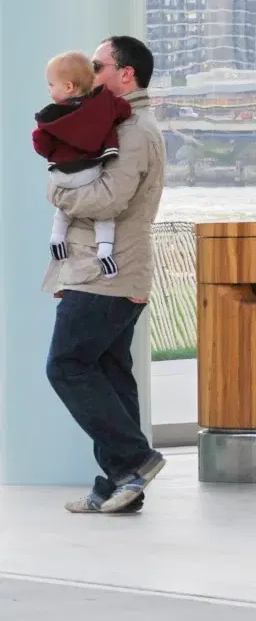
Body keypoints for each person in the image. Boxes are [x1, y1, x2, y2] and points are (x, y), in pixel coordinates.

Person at [44, 35, 167, 515]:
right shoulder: (116, 122)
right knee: (110, 373)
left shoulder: (134, 129)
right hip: (109, 270)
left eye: (97, 65)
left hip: (105, 274)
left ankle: (134, 460)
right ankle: (121, 484)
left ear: (126, 74)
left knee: (67, 365)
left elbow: (110, 199)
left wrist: (58, 192)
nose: (88, 74)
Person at [34, 50, 129, 277]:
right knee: (104, 214)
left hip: (61, 174)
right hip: (90, 170)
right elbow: (124, 110)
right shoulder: (103, 103)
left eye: (50, 85)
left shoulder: (52, 115)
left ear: (68, 87)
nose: (48, 90)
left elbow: (41, 145)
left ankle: (57, 238)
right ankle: (105, 250)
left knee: (64, 207)